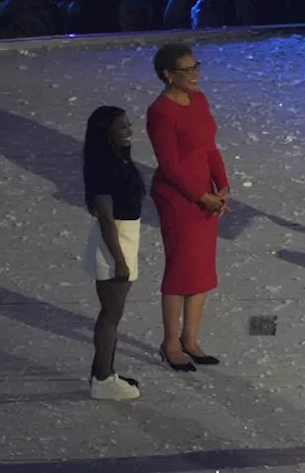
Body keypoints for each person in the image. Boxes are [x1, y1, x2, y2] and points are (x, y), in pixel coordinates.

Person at [146, 43, 230, 372]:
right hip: (178, 198)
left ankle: (190, 339)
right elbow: (169, 164)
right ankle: (170, 343)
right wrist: (201, 196)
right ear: (168, 75)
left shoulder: (200, 100)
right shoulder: (160, 112)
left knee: (201, 270)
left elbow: (209, 147)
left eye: (197, 67)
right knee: (181, 269)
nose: (195, 75)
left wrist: (222, 186)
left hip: (204, 195)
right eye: (187, 70)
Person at [82, 106, 146, 400]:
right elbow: (107, 219)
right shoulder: (103, 167)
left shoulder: (117, 160)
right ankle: (103, 379)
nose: (129, 131)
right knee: (110, 315)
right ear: (106, 133)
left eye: (128, 125)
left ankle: (103, 372)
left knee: (112, 314)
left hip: (124, 236)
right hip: (115, 241)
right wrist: (120, 260)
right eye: (122, 127)